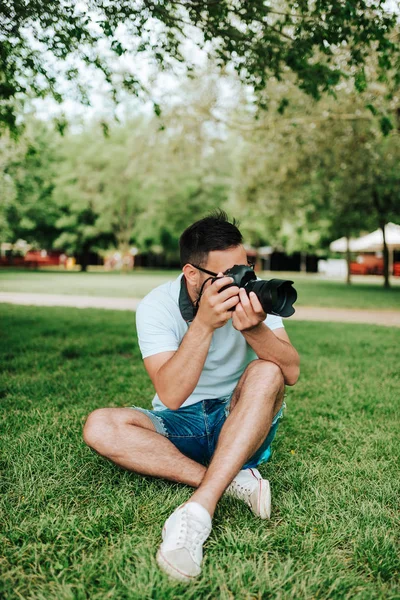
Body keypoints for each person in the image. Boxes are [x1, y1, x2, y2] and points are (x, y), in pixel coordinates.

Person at [83, 211, 300, 582]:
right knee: (101, 425)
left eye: (246, 269)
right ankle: (231, 481)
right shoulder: (157, 304)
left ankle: (201, 506)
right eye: (229, 277)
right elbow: (170, 395)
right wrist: (202, 324)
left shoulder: (254, 295)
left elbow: (291, 372)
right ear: (192, 274)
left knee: (267, 369)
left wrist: (256, 330)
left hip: (239, 420)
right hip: (179, 422)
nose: (243, 283)